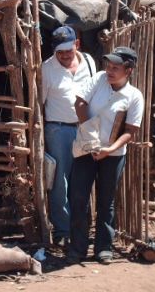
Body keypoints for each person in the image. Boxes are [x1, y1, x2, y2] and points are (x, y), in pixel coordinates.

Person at [67, 46, 144, 264]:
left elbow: (130, 131)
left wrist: (109, 150)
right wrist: (91, 139)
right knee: (79, 197)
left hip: (113, 154)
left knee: (106, 200)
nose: (109, 70)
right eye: (108, 66)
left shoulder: (134, 96)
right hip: (85, 148)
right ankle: (77, 248)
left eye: (115, 68)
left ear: (128, 71)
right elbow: (80, 103)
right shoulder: (99, 79)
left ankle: (103, 248)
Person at [42, 25, 96, 246]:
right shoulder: (47, 68)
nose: (64, 55)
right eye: (59, 51)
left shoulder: (90, 63)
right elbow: (39, 102)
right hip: (59, 129)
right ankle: (63, 231)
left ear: (77, 44)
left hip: (85, 127)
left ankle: (81, 226)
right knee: (60, 180)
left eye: (68, 50)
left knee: (82, 177)